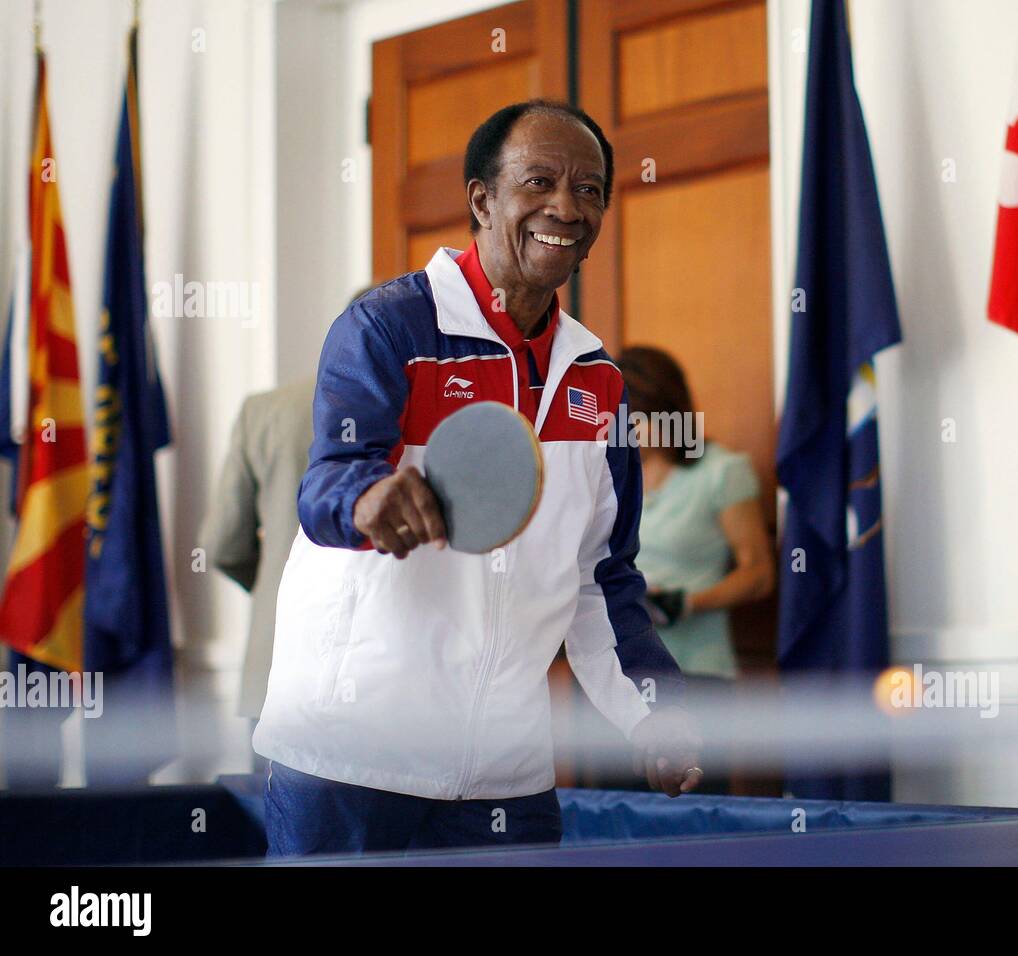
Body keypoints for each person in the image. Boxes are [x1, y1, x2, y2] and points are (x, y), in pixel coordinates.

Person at [253, 100, 701, 857]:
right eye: (540, 181)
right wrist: (368, 498)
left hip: (503, 768)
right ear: (482, 200)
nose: (567, 208)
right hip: (350, 754)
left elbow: (601, 576)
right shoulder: (388, 326)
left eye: (589, 190)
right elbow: (327, 484)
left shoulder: (599, 383)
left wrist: (652, 711)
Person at [620, 346, 774, 792]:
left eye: (642, 415)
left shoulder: (722, 471)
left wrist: (685, 603)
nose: (630, 427)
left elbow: (759, 574)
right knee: (615, 814)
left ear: (671, 411)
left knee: (692, 809)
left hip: (695, 677)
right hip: (619, 678)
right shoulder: (611, 475)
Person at [200, 379, 315, 745]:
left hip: (274, 666)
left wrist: (273, 588)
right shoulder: (413, 402)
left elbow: (223, 544)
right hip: (385, 685)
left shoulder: (264, 411)